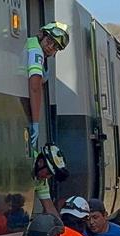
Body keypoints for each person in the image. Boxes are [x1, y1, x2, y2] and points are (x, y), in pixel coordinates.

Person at [26, 22, 70, 156]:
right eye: (50, 40)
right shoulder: (35, 51)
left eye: (56, 47)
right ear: (42, 35)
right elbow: (35, 87)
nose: (50, 47)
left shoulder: (33, 46)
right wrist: (35, 122)